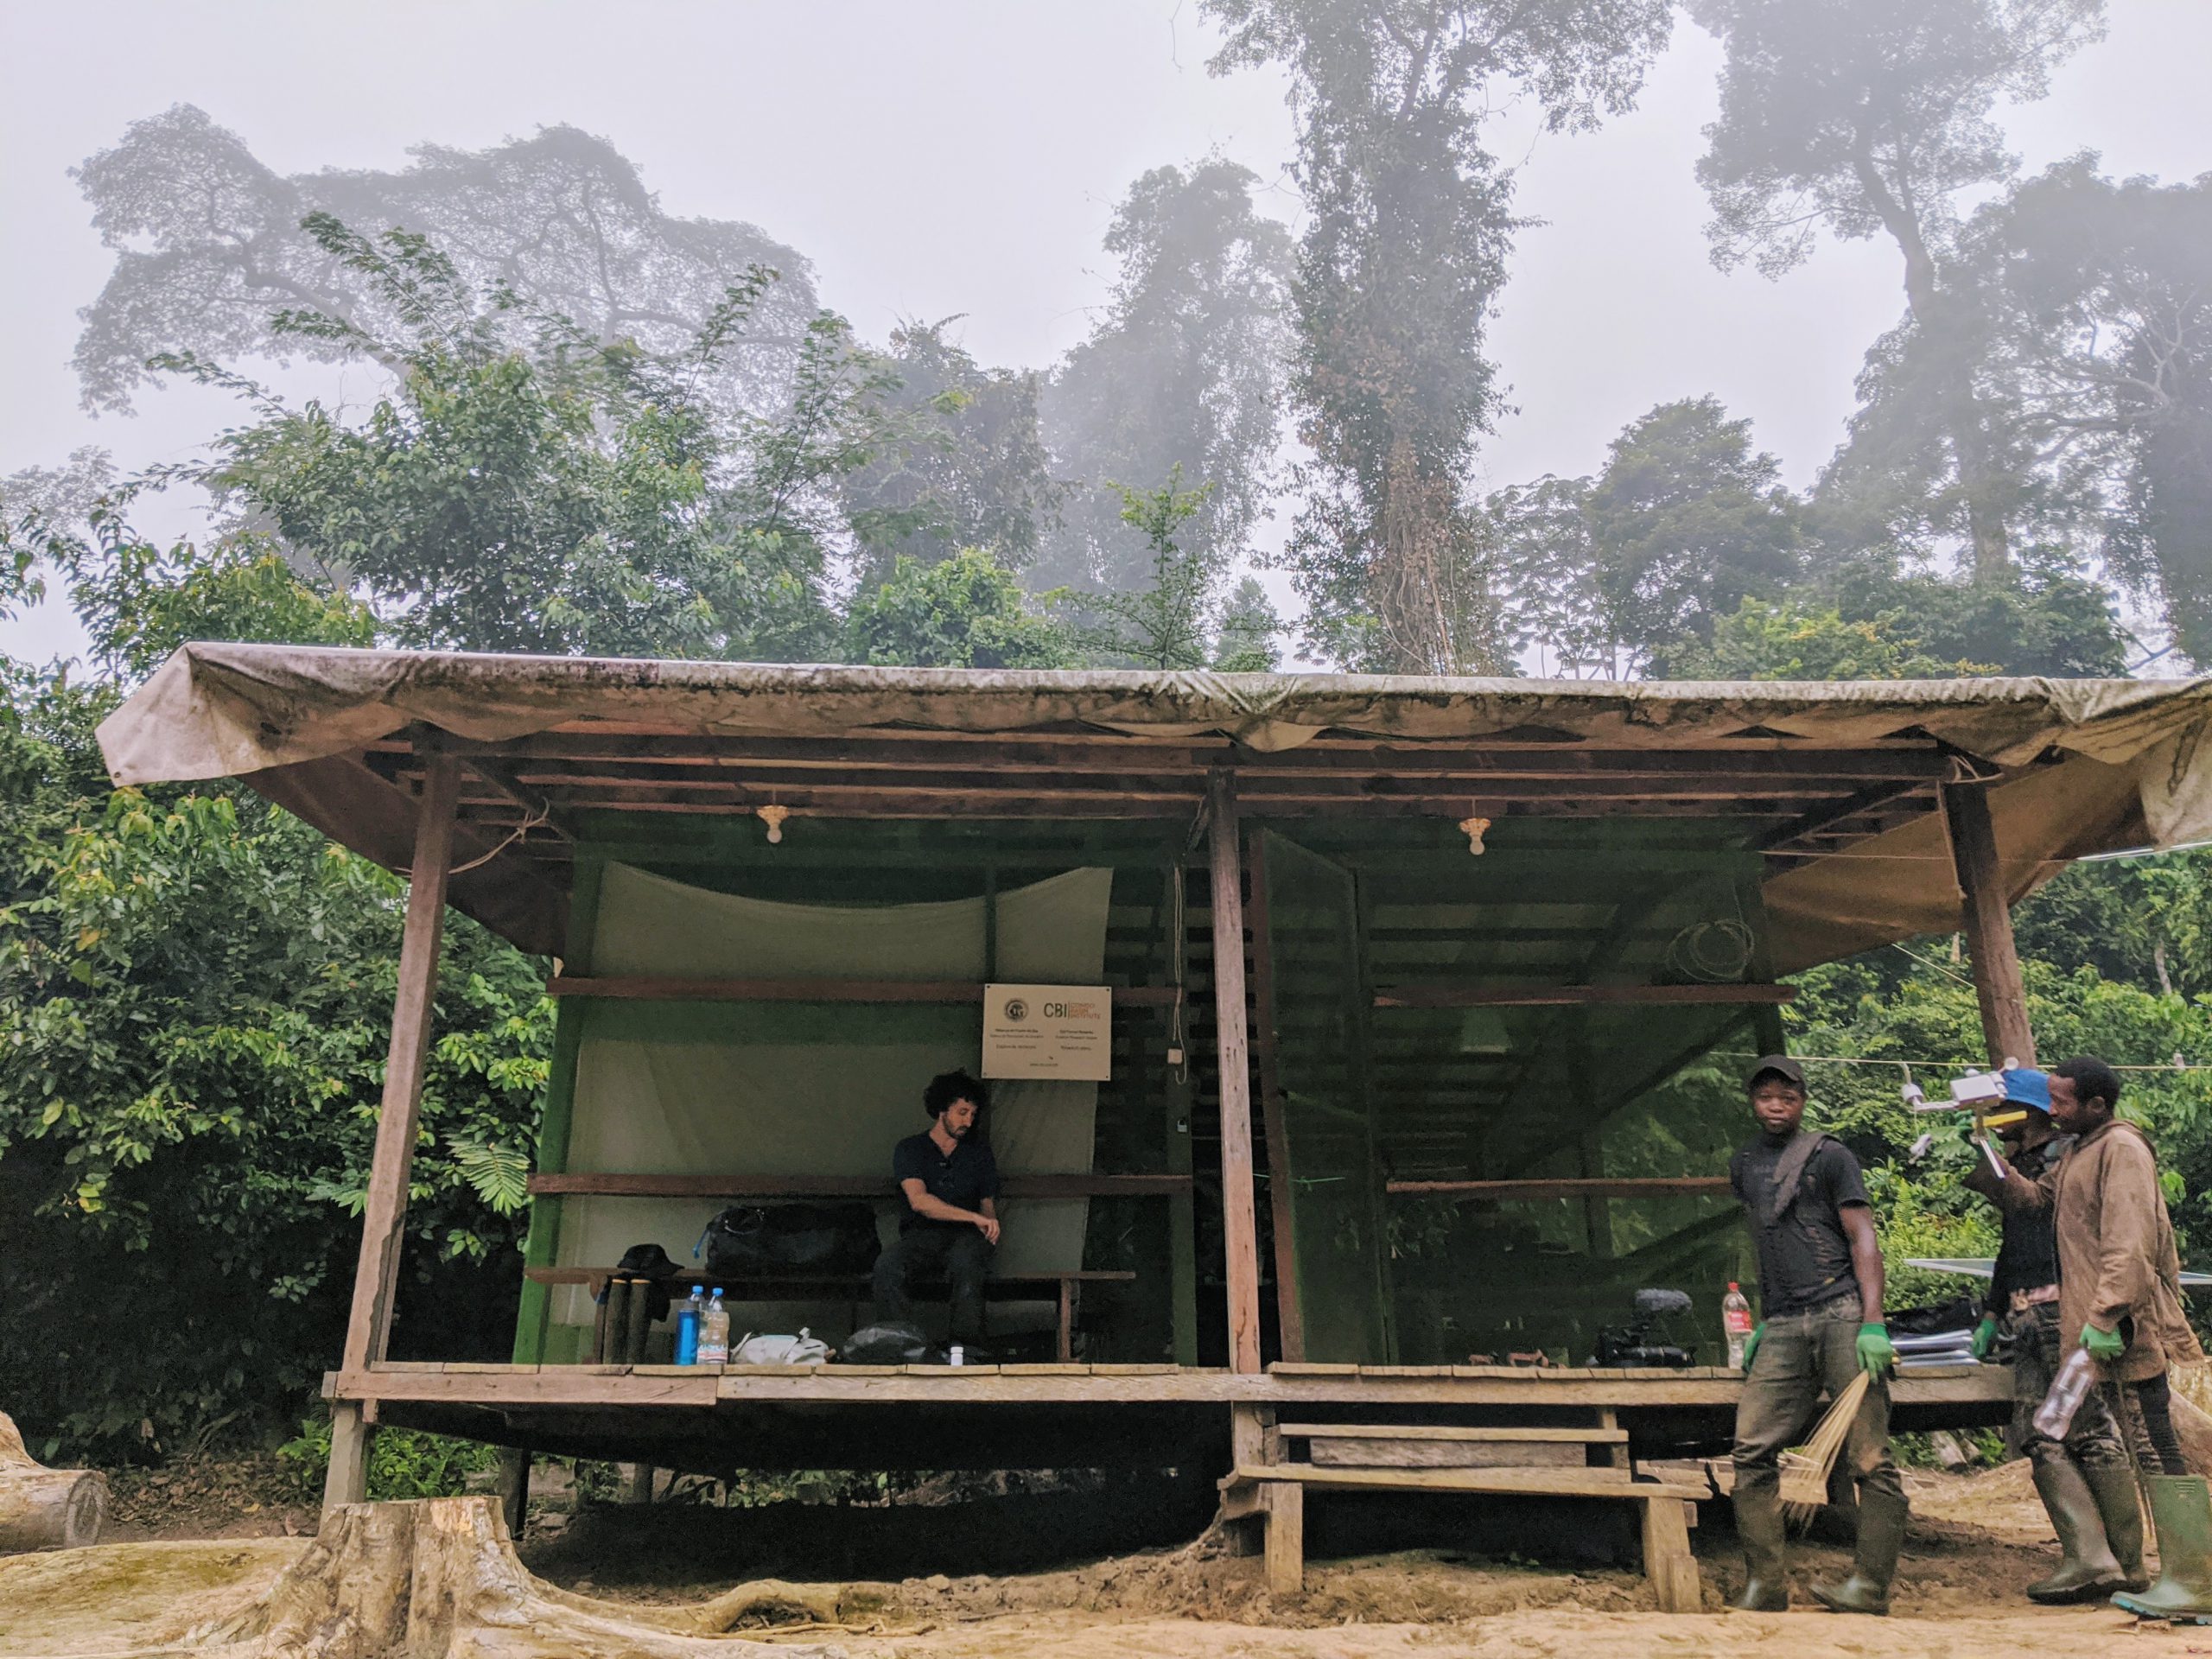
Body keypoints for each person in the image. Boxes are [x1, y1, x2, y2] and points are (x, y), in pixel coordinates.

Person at [1981, 1056, 2208, 1620]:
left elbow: (2129, 1244)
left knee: (2156, 1444)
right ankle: (2179, 1574)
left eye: (2060, 1102)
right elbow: (2034, 1201)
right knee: (2139, 1442)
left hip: (2125, 1326)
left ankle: (2194, 1579)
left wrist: (2106, 1316)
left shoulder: (2122, 1150)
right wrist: (1986, 1154)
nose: (2051, 1111)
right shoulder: (2080, 1150)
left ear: (2096, 1105)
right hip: (2100, 1327)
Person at [1726, 1055, 1906, 1616]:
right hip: (1783, 1323)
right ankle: (1766, 1584)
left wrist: (1872, 1322)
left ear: (1803, 1100)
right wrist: (1759, 1320)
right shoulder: (1745, 1165)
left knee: (1870, 1457)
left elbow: (1863, 1240)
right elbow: (1763, 1244)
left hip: (1842, 1312)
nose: (1776, 1105)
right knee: (1751, 1448)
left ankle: (1870, 1586)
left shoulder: (1833, 1158)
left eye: (1787, 1096)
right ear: (1752, 1103)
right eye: (1765, 1097)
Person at [1958, 1065, 2141, 1601]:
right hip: (2033, 1312)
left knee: (2067, 1429)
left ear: (2036, 1113)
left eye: (2004, 1110)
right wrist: (1993, 1312)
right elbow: (2012, 1248)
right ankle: (2112, 1561)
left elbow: (2038, 1212)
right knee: (2064, 1431)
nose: (1996, 1119)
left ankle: (2102, 1560)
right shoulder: (2034, 1161)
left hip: (2061, 1311)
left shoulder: (2066, 1160)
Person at [870, 1069, 1001, 1349]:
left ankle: (966, 1351)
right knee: (887, 1266)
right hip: (922, 1235)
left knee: (967, 1264)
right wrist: (973, 1217)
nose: (968, 1121)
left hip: (967, 1237)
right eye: (962, 1112)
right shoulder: (911, 1149)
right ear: (942, 1110)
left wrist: (990, 1223)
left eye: (972, 1114)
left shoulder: (979, 1153)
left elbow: (987, 1202)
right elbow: (920, 1201)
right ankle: (898, 1345)